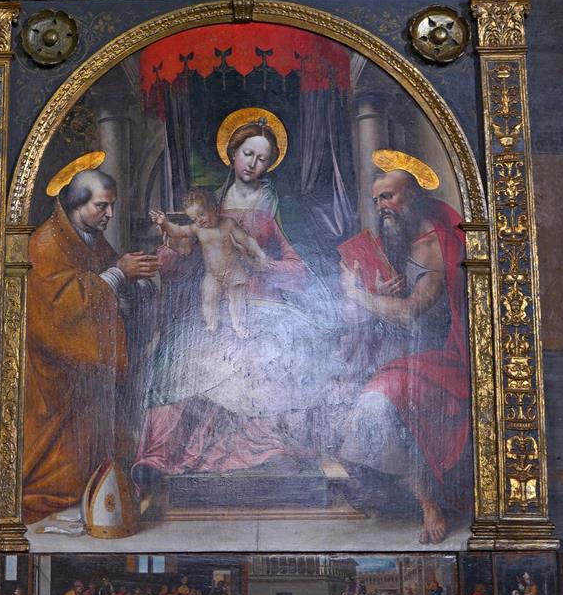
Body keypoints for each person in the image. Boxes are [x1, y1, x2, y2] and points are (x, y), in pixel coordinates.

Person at [135, 110, 340, 492]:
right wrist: (172, 252)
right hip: (213, 302)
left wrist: (264, 266)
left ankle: (262, 453)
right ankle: (160, 456)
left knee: (260, 356)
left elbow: (300, 270)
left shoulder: (284, 206)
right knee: (179, 354)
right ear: (232, 152)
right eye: (248, 153)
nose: (254, 164)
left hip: (265, 305)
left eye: (263, 158)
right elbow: (184, 259)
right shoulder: (207, 204)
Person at [336, 151, 469, 545]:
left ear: (412, 196)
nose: (382, 207)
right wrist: (375, 292)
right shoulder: (395, 238)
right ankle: (378, 488)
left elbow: (411, 312)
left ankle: (428, 503)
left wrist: (359, 296)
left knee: (377, 403)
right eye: (377, 200)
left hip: (438, 357)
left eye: (389, 197)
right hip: (394, 354)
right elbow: (388, 297)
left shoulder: (433, 245)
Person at [23, 152, 159, 524]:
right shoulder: (46, 243)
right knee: (60, 471)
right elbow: (59, 309)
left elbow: (110, 280)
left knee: (99, 449)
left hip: (87, 373)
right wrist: (119, 274)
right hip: (56, 374)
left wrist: (138, 282)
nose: (109, 215)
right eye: (102, 206)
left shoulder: (89, 239)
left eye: (112, 206)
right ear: (77, 202)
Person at [150, 188, 271, 338]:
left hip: (233, 271)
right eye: (194, 218)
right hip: (212, 275)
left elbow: (246, 239)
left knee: (237, 301)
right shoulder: (198, 229)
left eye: (201, 214)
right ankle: (211, 325)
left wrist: (260, 254)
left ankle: (239, 326)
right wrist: (164, 224)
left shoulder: (228, 224)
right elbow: (178, 232)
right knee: (208, 298)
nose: (199, 220)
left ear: (213, 208)